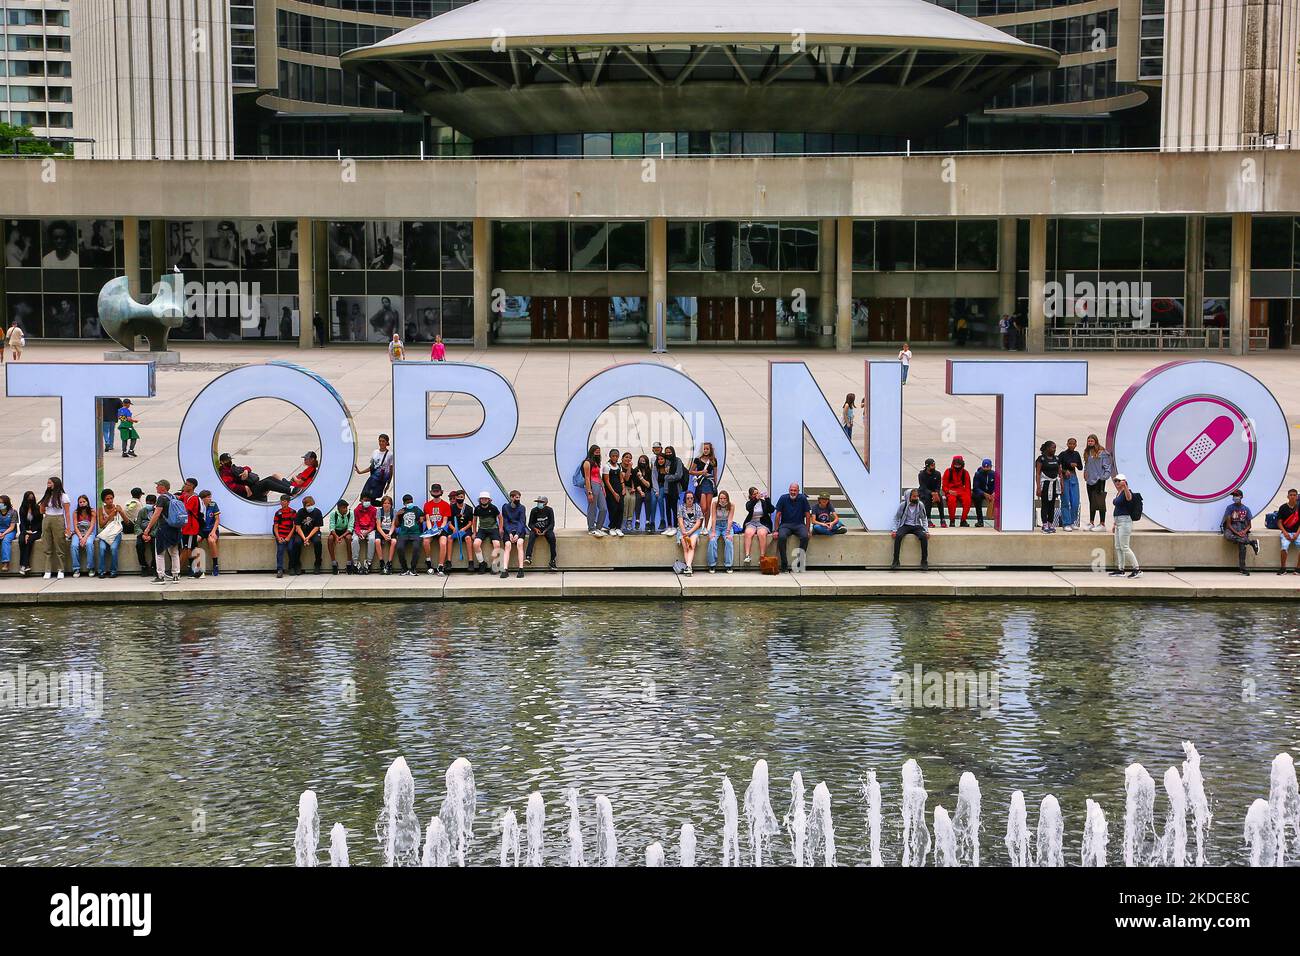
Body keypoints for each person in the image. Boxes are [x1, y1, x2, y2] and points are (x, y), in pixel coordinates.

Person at [141, 479, 183, 583]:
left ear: (163, 487)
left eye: (158, 485)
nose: (156, 487)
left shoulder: (161, 498)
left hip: (164, 528)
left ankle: (160, 576)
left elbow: (156, 514)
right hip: (175, 528)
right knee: (174, 552)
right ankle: (176, 575)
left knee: (159, 553)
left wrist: (148, 528)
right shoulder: (173, 497)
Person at [773, 482, 812, 573]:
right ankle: (784, 564)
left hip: (799, 524)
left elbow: (807, 515)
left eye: (795, 490)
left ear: (798, 491)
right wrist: (776, 530)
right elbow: (778, 515)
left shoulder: (802, 498)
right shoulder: (783, 498)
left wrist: (808, 530)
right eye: (791, 490)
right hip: (785, 525)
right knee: (781, 537)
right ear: (789, 490)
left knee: (805, 537)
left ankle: (799, 564)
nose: (793, 492)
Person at [1108, 474, 1142, 578]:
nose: (1117, 483)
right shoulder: (1119, 493)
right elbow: (1118, 508)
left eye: (1119, 481)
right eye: (1115, 481)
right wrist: (1114, 524)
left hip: (1125, 522)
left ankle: (1137, 569)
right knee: (1118, 547)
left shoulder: (1127, 492)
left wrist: (1125, 487)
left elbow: (1129, 498)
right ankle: (1120, 569)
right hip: (1118, 522)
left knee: (1125, 547)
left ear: (1124, 481)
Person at [38, 477, 71, 580]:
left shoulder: (63, 496)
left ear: (56, 484)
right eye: (47, 482)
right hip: (47, 518)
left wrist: (68, 527)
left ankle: (60, 570)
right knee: (47, 545)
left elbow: (67, 512)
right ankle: (47, 570)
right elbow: (41, 511)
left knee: (59, 544)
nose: (48, 484)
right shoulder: (47, 495)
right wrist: (43, 502)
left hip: (58, 519)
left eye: (50, 482)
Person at [1220, 489, 1259, 575]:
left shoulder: (1246, 509)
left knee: (1242, 546)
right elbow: (1229, 524)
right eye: (1234, 496)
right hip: (1232, 528)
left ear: (1241, 497)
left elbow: (1249, 525)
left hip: (1242, 528)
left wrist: (1244, 531)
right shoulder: (1230, 508)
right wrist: (1237, 533)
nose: (1235, 497)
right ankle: (1251, 542)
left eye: (1236, 496)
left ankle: (1243, 568)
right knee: (1228, 536)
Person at [891, 488, 931, 570]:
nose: (916, 498)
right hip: (905, 525)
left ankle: (924, 561)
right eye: (914, 496)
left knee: (923, 537)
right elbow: (896, 518)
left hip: (916, 526)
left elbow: (924, 519)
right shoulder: (903, 505)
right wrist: (894, 530)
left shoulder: (920, 505)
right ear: (909, 497)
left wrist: (926, 531)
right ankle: (895, 561)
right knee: (898, 536)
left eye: (917, 496)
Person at [1082, 434, 1115, 531]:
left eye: (1092, 441)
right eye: (1089, 441)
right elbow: (1087, 464)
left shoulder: (1102, 452)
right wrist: (1085, 472)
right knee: (1091, 502)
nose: (1090, 443)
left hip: (1099, 481)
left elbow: (1107, 467)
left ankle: (1102, 523)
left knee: (1100, 501)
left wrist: (1103, 477)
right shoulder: (1087, 452)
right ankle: (1091, 522)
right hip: (1089, 481)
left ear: (1096, 441)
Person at [96, 488, 127, 578]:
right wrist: (110, 515)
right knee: (102, 549)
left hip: (116, 533)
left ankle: (113, 571)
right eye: (107, 499)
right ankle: (101, 571)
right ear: (104, 500)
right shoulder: (101, 509)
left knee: (113, 549)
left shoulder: (117, 507)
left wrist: (120, 511)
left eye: (111, 498)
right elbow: (101, 525)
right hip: (105, 533)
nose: (110, 500)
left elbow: (127, 522)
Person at [422, 483, 452, 575]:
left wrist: (440, 529)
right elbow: (427, 519)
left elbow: (445, 520)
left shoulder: (446, 505)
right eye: (434, 491)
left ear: (441, 492)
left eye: (437, 491)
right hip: (431, 528)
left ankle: (440, 566)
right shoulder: (427, 505)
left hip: (441, 529)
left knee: (443, 543)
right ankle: (429, 563)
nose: (436, 493)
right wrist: (431, 530)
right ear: (431, 492)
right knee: (425, 541)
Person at [355, 434, 394, 501]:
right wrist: (360, 472)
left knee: (372, 498)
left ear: (387, 442)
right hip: (372, 479)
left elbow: (391, 470)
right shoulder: (375, 452)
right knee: (364, 497)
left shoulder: (390, 454)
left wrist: (388, 483)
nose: (381, 443)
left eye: (383, 441)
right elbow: (372, 467)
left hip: (381, 480)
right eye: (380, 441)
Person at [1034, 441, 1062, 534]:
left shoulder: (1057, 458)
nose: (1054, 449)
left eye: (1055, 448)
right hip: (1045, 484)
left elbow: (1060, 473)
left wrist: (1062, 485)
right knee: (1045, 504)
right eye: (1052, 448)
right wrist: (1038, 487)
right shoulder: (1041, 459)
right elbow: (1038, 474)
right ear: (1047, 448)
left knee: (1052, 505)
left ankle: (1050, 523)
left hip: (1054, 484)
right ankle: (1044, 524)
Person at [742, 486, 774, 566]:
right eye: (754, 494)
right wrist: (755, 499)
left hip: (763, 523)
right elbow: (748, 508)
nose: (757, 495)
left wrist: (767, 499)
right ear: (751, 496)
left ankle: (762, 556)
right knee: (748, 533)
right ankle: (747, 556)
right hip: (752, 522)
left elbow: (771, 509)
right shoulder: (750, 503)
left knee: (761, 533)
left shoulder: (763, 502)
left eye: (757, 493)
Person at [292, 495, 324, 573]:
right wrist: (304, 538)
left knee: (317, 542)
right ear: (304, 506)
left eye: (312, 505)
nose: (310, 507)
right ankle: (297, 564)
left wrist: (308, 538)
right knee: (297, 542)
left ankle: (317, 563)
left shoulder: (317, 512)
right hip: (302, 532)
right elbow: (298, 527)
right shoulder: (300, 512)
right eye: (308, 505)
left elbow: (317, 527)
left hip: (313, 532)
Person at [690, 442, 719, 528]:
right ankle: (699, 525)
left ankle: (705, 527)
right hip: (701, 483)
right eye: (704, 449)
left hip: (709, 483)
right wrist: (701, 472)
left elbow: (715, 475)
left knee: (708, 507)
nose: (705, 450)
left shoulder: (713, 460)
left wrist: (715, 486)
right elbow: (691, 471)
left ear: (710, 450)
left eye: (707, 449)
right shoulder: (697, 459)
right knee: (703, 507)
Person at [706, 489, 736, 573]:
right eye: (721, 498)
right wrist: (713, 532)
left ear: (727, 499)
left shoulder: (731, 505)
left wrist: (728, 532)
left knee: (729, 541)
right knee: (712, 540)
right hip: (717, 525)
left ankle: (728, 565)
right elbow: (714, 518)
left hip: (726, 525)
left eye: (724, 498)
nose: (722, 500)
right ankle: (712, 564)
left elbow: (730, 519)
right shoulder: (714, 504)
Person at [471, 491, 501, 574]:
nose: (484, 500)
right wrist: (474, 532)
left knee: (497, 545)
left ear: (489, 500)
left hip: (493, 529)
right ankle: (482, 563)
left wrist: (501, 529)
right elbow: (474, 520)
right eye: (482, 499)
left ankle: (494, 564)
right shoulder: (477, 508)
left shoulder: (493, 508)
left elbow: (500, 517)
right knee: (476, 544)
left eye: (485, 499)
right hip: (482, 529)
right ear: (480, 500)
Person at [394, 494, 425, 575]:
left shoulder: (416, 509)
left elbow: (422, 516)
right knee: (400, 548)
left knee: (416, 547)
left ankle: (413, 568)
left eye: (411, 501)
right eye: (408, 502)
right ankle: (404, 569)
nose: (410, 503)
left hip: (415, 533)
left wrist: (422, 518)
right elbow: (396, 525)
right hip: (403, 533)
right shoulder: (401, 511)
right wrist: (397, 515)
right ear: (404, 503)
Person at [525, 495, 557, 570]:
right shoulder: (534, 510)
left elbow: (552, 523)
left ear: (546, 503)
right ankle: (528, 557)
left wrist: (545, 531)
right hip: (536, 529)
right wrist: (535, 529)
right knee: (531, 537)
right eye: (538, 502)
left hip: (547, 529)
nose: (539, 503)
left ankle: (553, 560)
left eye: (541, 502)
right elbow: (530, 523)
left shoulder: (549, 510)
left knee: (552, 538)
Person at [501, 489, 528, 579]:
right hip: (509, 530)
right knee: (507, 545)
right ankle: (505, 569)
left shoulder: (522, 508)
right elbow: (505, 521)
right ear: (511, 498)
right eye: (516, 497)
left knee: (519, 544)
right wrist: (509, 533)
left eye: (519, 497)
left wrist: (517, 533)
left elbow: (522, 522)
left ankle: (521, 569)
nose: (518, 499)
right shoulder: (505, 507)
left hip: (519, 530)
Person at [1058, 437, 1083, 531]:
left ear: (1076, 445)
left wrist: (1075, 465)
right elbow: (1058, 466)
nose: (1072, 445)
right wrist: (1064, 471)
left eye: (1073, 444)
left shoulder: (1076, 454)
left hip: (1073, 478)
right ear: (1067, 444)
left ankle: (1072, 521)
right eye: (1070, 443)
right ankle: (1066, 523)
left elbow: (1080, 467)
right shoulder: (1063, 454)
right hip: (1065, 479)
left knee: (1075, 502)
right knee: (1065, 501)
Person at [582, 445, 607, 537]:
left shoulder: (596, 462)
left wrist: (603, 487)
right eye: (596, 451)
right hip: (591, 485)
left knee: (603, 508)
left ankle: (598, 528)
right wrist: (589, 492)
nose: (597, 452)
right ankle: (591, 528)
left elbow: (599, 476)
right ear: (592, 451)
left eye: (599, 451)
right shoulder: (587, 462)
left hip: (599, 485)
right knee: (592, 508)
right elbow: (587, 478)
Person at [68, 495, 97, 577]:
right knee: (73, 545)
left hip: (89, 533)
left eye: (84, 501)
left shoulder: (92, 512)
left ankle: (91, 568)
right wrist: (81, 537)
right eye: (80, 502)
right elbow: (75, 526)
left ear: (87, 502)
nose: (82, 503)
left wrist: (85, 538)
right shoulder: (75, 513)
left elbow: (92, 526)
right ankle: (76, 569)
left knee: (89, 544)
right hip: (78, 533)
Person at [660, 446, 686, 535]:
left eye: (669, 452)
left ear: (673, 452)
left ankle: (675, 526)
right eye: (666, 452)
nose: (668, 454)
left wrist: (667, 477)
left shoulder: (678, 460)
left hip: (675, 488)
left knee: (674, 508)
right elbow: (662, 471)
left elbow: (679, 475)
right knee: (667, 507)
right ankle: (669, 526)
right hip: (667, 488)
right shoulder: (666, 461)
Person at [677, 490, 703, 575]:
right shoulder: (681, 507)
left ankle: (688, 566)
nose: (689, 500)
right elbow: (680, 521)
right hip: (683, 530)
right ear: (685, 499)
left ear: (693, 499)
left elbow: (698, 523)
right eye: (688, 498)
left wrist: (690, 532)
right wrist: (684, 532)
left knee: (691, 545)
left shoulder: (697, 507)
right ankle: (689, 567)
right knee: (686, 548)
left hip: (694, 530)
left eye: (691, 498)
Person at [941, 456, 973, 527]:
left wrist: (968, 495)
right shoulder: (948, 471)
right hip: (951, 491)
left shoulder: (965, 473)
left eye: (959, 465)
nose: (957, 466)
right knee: (951, 501)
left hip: (962, 490)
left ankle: (963, 520)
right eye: (956, 464)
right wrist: (948, 491)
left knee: (967, 500)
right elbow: (944, 486)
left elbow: (968, 487)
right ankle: (952, 521)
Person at [447, 490, 474, 572]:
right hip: (454, 529)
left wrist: (464, 529)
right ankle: (448, 562)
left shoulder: (469, 508)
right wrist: (453, 528)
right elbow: (449, 522)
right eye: (458, 497)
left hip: (465, 529)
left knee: (468, 538)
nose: (460, 498)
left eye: (461, 497)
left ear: (464, 497)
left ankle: (471, 562)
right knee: (449, 538)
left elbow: (470, 522)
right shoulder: (451, 507)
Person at [326, 499, 354, 573]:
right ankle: (334, 562)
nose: (345, 509)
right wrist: (336, 536)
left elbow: (350, 528)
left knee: (349, 538)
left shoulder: (350, 513)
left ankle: (349, 562)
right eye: (343, 508)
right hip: (336, 531)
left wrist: (341, 537)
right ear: (338, 508)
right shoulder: (333, 514)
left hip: (345, 531)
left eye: (346, 508)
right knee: (330, 539)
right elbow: (332, 527)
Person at [352, 495, 378, 574]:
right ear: (361, 500)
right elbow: (356, 524)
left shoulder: (374, 510)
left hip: (369, 530)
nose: (367, 502)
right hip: (359, 530)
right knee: (355, 540)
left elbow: (373, 524)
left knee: (372, 539)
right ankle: (356, 562)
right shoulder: (356, 510)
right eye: (365, 500)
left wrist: (367, 532)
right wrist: (359, 533)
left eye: (368, 500)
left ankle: (368, 562)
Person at [917, 459, 946, 528]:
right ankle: (928, 519)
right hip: (924, 492)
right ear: (927, 466)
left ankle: (942, 519)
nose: (933, 467)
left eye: (934, 465)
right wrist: (932, 493)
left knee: (939, 498)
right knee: (928, 498)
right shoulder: (921, 474)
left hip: (934, 492)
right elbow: (923, 487)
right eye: (932, 466)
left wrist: (936, 493)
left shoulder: (937, 474)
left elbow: (938, 486)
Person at [17, 491, 41, 576]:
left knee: (29, 541)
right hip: (25, 530)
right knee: (21, 540)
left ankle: (23, 565)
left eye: (32, 497)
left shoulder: (37, 507)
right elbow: (22, 522)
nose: (30, 499)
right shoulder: (22, 508)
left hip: (36, 530)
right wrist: (25, 532)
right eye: (29, 498)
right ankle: (25, 565)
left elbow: (40, 522)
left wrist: (31, 532)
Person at [272, 495, 296, 578]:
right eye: (281, 500)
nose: (282, 502)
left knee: (291, 549)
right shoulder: (278, 513)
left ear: (288, 502)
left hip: (289, 535)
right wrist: (278, 538)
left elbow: (294, 526)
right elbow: (275, 527)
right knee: (280, 550)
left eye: (285, 501)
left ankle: (291, 567)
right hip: (281, 535)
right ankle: (279, 569)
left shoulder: (292, 512)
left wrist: (288, 537)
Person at [197, 490, 220, 575]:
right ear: (202, 499)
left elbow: (217, 519)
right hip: (201, 530)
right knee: (195, 541)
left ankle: (215, 565)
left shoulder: (213, 505)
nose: (210, 499)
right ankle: (196, 565)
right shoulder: (199, 506)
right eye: (208, 497)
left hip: (211, 529)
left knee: (211, 541)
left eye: (210, 497)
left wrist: (213, 531)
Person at [1278, 489, 1300, 574]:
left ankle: (1298, 568)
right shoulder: (1283, 507)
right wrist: (1285, 532)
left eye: (1294, 495)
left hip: (1297, 532)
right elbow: (1279, 523)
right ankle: (1283, 568)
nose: (1293, 497)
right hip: (1286, 532)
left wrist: (1297, 534)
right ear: (1288, 496)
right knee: (1284, 547)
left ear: (1297, 497)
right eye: (1291, 495)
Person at [374, 495, 397, 574]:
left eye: (388, 503)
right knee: (377, 541)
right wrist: (384, 535)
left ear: (391, 504)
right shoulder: (379, 511)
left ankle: (389, 563)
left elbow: (393, 525)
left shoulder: (394, 511)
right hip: (381, 530)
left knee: (394, 541)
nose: (387, 505)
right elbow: (378, 526)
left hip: (390, 530)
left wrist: (389, 534)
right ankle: (381, 562)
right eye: (385, 503)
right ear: (382, 504)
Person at [133, 494, 156, 575]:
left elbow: (158, 526)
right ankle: (143, 566)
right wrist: (142, 534)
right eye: (148, 502)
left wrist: (151, 535)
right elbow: (137, 525)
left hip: (153, 534)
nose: (149, 504)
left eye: (151, 503)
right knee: (139, 545)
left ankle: (154, 566)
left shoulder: (157, 512)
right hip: (143, 533)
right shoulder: (142, 511)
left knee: (155, 547)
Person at [633, 455, 655, 532]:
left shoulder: (649, 471)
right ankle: (637, 520)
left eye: (643, 461)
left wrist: (641, 478)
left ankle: (647, 521)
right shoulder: (636, 470)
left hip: (647, 490)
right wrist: (641, 492)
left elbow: (649, 485)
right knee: (638, 498)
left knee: (648, 498)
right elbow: (636, 484)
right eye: (640, 460)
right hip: (639, 490)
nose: (642, 462)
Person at [973, 459, 996, 528]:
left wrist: (994, 492)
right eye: (984, 467)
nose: (986, 468)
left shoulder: (994, 474)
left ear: (991, 467)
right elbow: (975, 487)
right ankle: (980, 520)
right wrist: (984, 493)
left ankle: (998, 519)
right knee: (976, 498)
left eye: (987, 467)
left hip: (991, 493)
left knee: (999, 498)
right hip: (981, 493)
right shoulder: (978, 474)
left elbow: (997, 485)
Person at [603, 448, 623, 532]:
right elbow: (607, 481)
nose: (615, 458)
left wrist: (623, 488)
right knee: (613, 509)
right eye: (613, 456)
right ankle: (612, 527)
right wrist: (614, 493)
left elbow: (621, 478)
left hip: (619, 490)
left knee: (620, 508)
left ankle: (618, 528)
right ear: (610, 456)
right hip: (611, 491)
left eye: (616, 456)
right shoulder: (606, 466)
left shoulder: (619, 466)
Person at [0, 495, 16, 573]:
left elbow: (12, 527)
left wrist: (4, 533)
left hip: (9, 531)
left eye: (1, 503)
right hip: (0, 530)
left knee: (6, 540)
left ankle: (5, 563)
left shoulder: (13, 512)